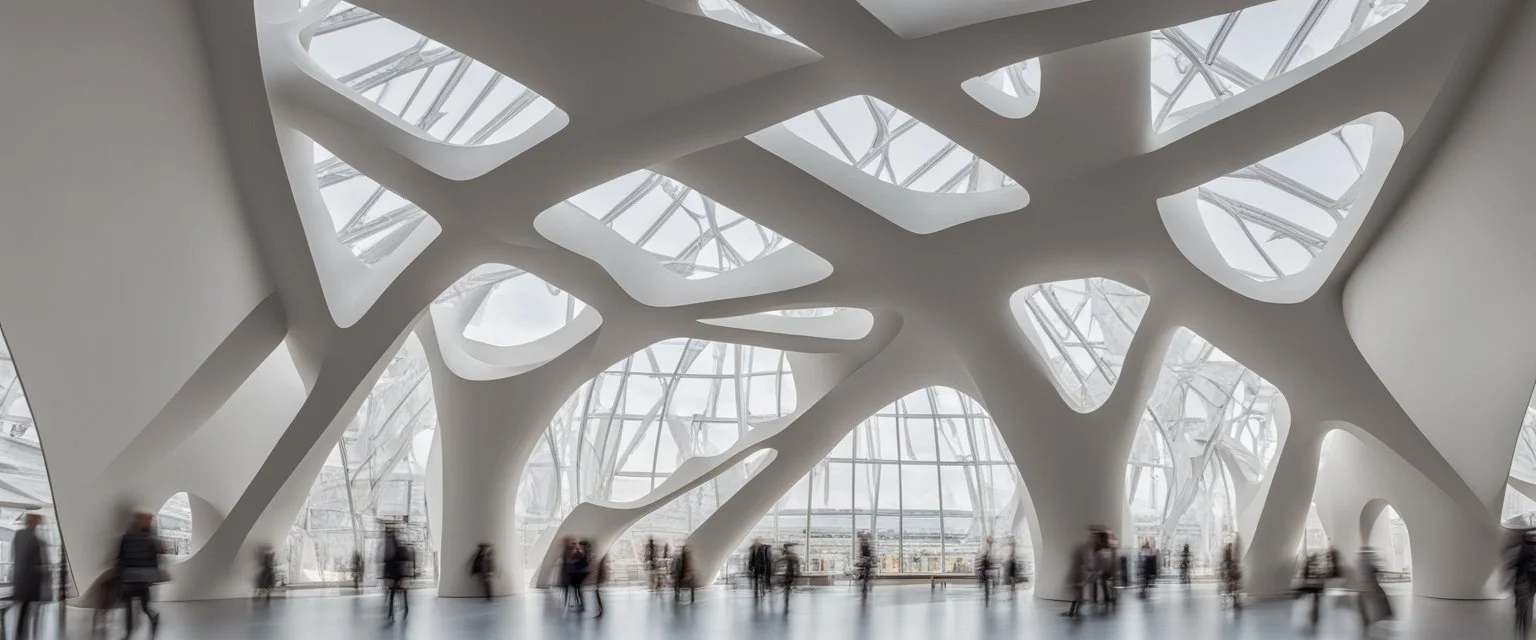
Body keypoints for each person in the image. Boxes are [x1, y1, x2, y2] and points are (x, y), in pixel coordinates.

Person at [116, 511, 162, 639]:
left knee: (129, 606)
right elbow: (155, 562)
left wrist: (120, 575)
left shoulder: (127, 537)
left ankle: (128, 632)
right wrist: (152, 578)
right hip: (142, 579)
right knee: (144, 606)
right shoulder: (151, 540)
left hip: (130, 578)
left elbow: (120, 558)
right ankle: (153, 619)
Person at [10, 513, 46, 639]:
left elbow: (15, 555)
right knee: (27, 610)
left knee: (24, 610)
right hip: (29, 582)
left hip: (22, 579)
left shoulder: (19, 535)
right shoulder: (34, 539)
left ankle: (22, 633)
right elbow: (36, 562)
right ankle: (24, 633)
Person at [1357, 547, 1393, 630]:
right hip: (1372, 588)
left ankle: (1366, 623)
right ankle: (1385, 616)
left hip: (1365, 589)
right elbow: (1379, 572)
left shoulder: (1362, 564)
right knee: (1382, 603)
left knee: (1363, 605)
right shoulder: (1370, 565)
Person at [382, 526, 411, 622]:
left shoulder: (390, 547)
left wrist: (386, 575)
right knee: (401, 593)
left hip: (394, 574)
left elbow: (387, 561)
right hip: (399, 574)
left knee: (393, 593)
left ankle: (391, 613)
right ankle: (405, 609)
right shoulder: (398, 546)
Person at [564, 538, 589, 611]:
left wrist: (573, 561)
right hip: (577, 574)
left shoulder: (581, 553)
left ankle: (580, 604)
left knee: (577, 590)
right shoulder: (580, 553)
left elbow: (575, 561)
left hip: (577, 574)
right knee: (577, 590)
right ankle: (580, 603)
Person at [1220, 541, 1243, 612]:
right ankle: (1235, 598)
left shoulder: (1230, 561)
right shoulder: (1227, 561)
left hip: (1231, 575)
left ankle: (1235, 598)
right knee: (1232, 587)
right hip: (1229, 576)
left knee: (1233, 587)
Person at [779, 543, 801, 611]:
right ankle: (786, 600)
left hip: (791, 573)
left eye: (791, 548)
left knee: (788, 587)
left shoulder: (791, 555)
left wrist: (797, 572)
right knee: (787, 587)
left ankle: (787, 598)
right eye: (790, 547)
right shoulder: (788, 555)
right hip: (787, 573)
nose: (791, 549)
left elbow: (797, 564)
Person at [590, 547, 608, 618]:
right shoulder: (600, 560)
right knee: (596, 593)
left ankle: (600, 610)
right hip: (599, 579)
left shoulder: (600, 560)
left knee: (597, 593)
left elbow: (600, 570)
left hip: (599, 579)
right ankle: (600, 610)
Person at [856, 533, 875, 599]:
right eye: (863, 539)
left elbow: (870, 554)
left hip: (867, 561)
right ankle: (863, 583)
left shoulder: (867, 546)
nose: (864, 540)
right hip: (864, 561)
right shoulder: (862, 545)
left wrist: (868, 559)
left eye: (865, 539)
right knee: (862, 572)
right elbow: (861, 554)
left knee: (866, 573)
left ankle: (865, 585)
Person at [976, 539, 994, 605]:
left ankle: (986, 594)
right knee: (987, 586)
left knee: (986, 586)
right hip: (986, 575)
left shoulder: (984, 561)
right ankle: (987, 595)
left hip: (985, 574)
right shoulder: (987, 561)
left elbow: (981, 567)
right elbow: (989, 566)